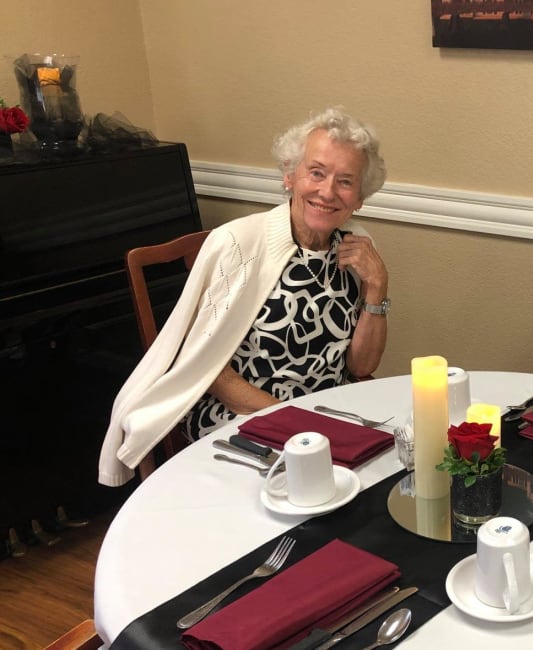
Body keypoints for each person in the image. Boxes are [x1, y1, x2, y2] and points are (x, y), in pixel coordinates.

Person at [99, 107, 390, 486]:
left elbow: (360, 364)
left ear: (360, 198)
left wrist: (378, 286)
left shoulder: (356, 246)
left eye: (345, 181)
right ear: (290, 175)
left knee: (383, 474)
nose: (327, 191)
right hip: (241, 414)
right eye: (316, 172)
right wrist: (298, 422)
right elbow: (211, 369)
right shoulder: (238, 244)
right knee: (308, 489)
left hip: (327, 411)